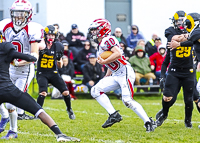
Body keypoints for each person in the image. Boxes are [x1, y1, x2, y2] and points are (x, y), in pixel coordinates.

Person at [0, 42, 80, 141]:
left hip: (7, 87)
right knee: (38, 110)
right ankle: (59, 134)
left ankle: (6, 121)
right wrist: (33, 56)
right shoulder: (4, 47)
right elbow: (30, 58)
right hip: (8, 89)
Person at [88, 18, 156, 132]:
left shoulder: (107, 39)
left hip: (124, 72)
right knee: (95, 90)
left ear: (102, 30)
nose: (92, 32)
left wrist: (104, 62)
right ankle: (113, 115)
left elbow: (118, 54)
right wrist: (107, 74)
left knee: (127, 100)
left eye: (95, 30)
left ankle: (148, 122)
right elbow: (111, 62)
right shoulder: (102, 43)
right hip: (116, 74)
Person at [1, 0, 43, 138]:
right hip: (8, 69)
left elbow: (34, 55)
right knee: (5, 101)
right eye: (16, 13)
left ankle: (13, 130)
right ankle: (5, 118)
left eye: (22, 14)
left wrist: (20, 63)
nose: (18, 17)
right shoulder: (5, 25)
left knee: (11, 102)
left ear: (29, 14)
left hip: (24, 70)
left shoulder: (32, 28)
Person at [156, 11, 194, 128]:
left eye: (183, 21)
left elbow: (193, 40)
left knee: (189, 99)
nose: (181, 24)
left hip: (188, 71)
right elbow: (172, 39)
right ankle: (164, 114)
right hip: (174, 70)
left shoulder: (192, 30)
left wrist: (184, 39)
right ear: (174, 21)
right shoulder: (170, 31)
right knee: (167, 97)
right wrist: (187, 37)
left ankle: (188, 121)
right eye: (178, 21)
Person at [36, 25, 75, 120]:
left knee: (66, 92)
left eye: (53, 35)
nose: (51, 37)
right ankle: (37, 112)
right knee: (43, 93)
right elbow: (34, 56)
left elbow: (60, 65)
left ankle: (69, 109)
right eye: (49, 35)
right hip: (42, 72)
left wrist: (58, 60)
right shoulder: (40, 44)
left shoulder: (59, 46)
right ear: (45, 35)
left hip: (53, 72)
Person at [167, 12, 200, 120]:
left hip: (188, 69)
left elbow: (190, 40)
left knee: (197, 92)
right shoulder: (196, 32)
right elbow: (188, 37)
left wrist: (179, 44)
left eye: (187, 23)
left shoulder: (197, 31)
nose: (185, 25)